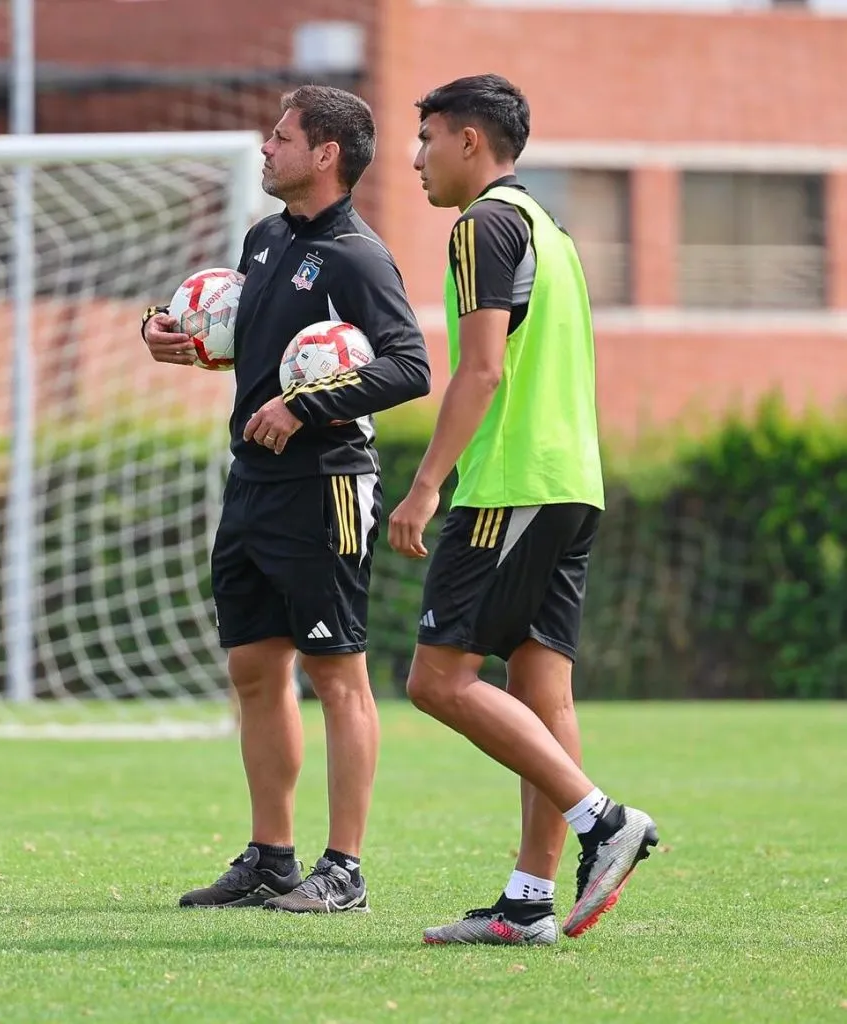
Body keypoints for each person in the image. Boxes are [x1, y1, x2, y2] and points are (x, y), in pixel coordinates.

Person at [142, 85, 431, 913]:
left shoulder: (357, 256)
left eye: (280, 137)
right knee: (253, 670)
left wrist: (303, 405)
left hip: (327, 484)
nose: (265, 150)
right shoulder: (265, 238)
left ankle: (344, 870)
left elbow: (408, 367)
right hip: (252, 483)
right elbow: (242, 336)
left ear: (325, 155)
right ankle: (272, 858)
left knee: (336, 673)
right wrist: (165, 330)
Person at [388, 73, 657, 945]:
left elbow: (481, 369)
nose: (415, 158)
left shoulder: (483, 225)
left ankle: (602, 820)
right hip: (571, 482)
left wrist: (425, 485)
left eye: (426, 138)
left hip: (510, 485)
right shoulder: (552, 228)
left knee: (436, 680)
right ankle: (528, 902)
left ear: (471, 141)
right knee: (543, 693)